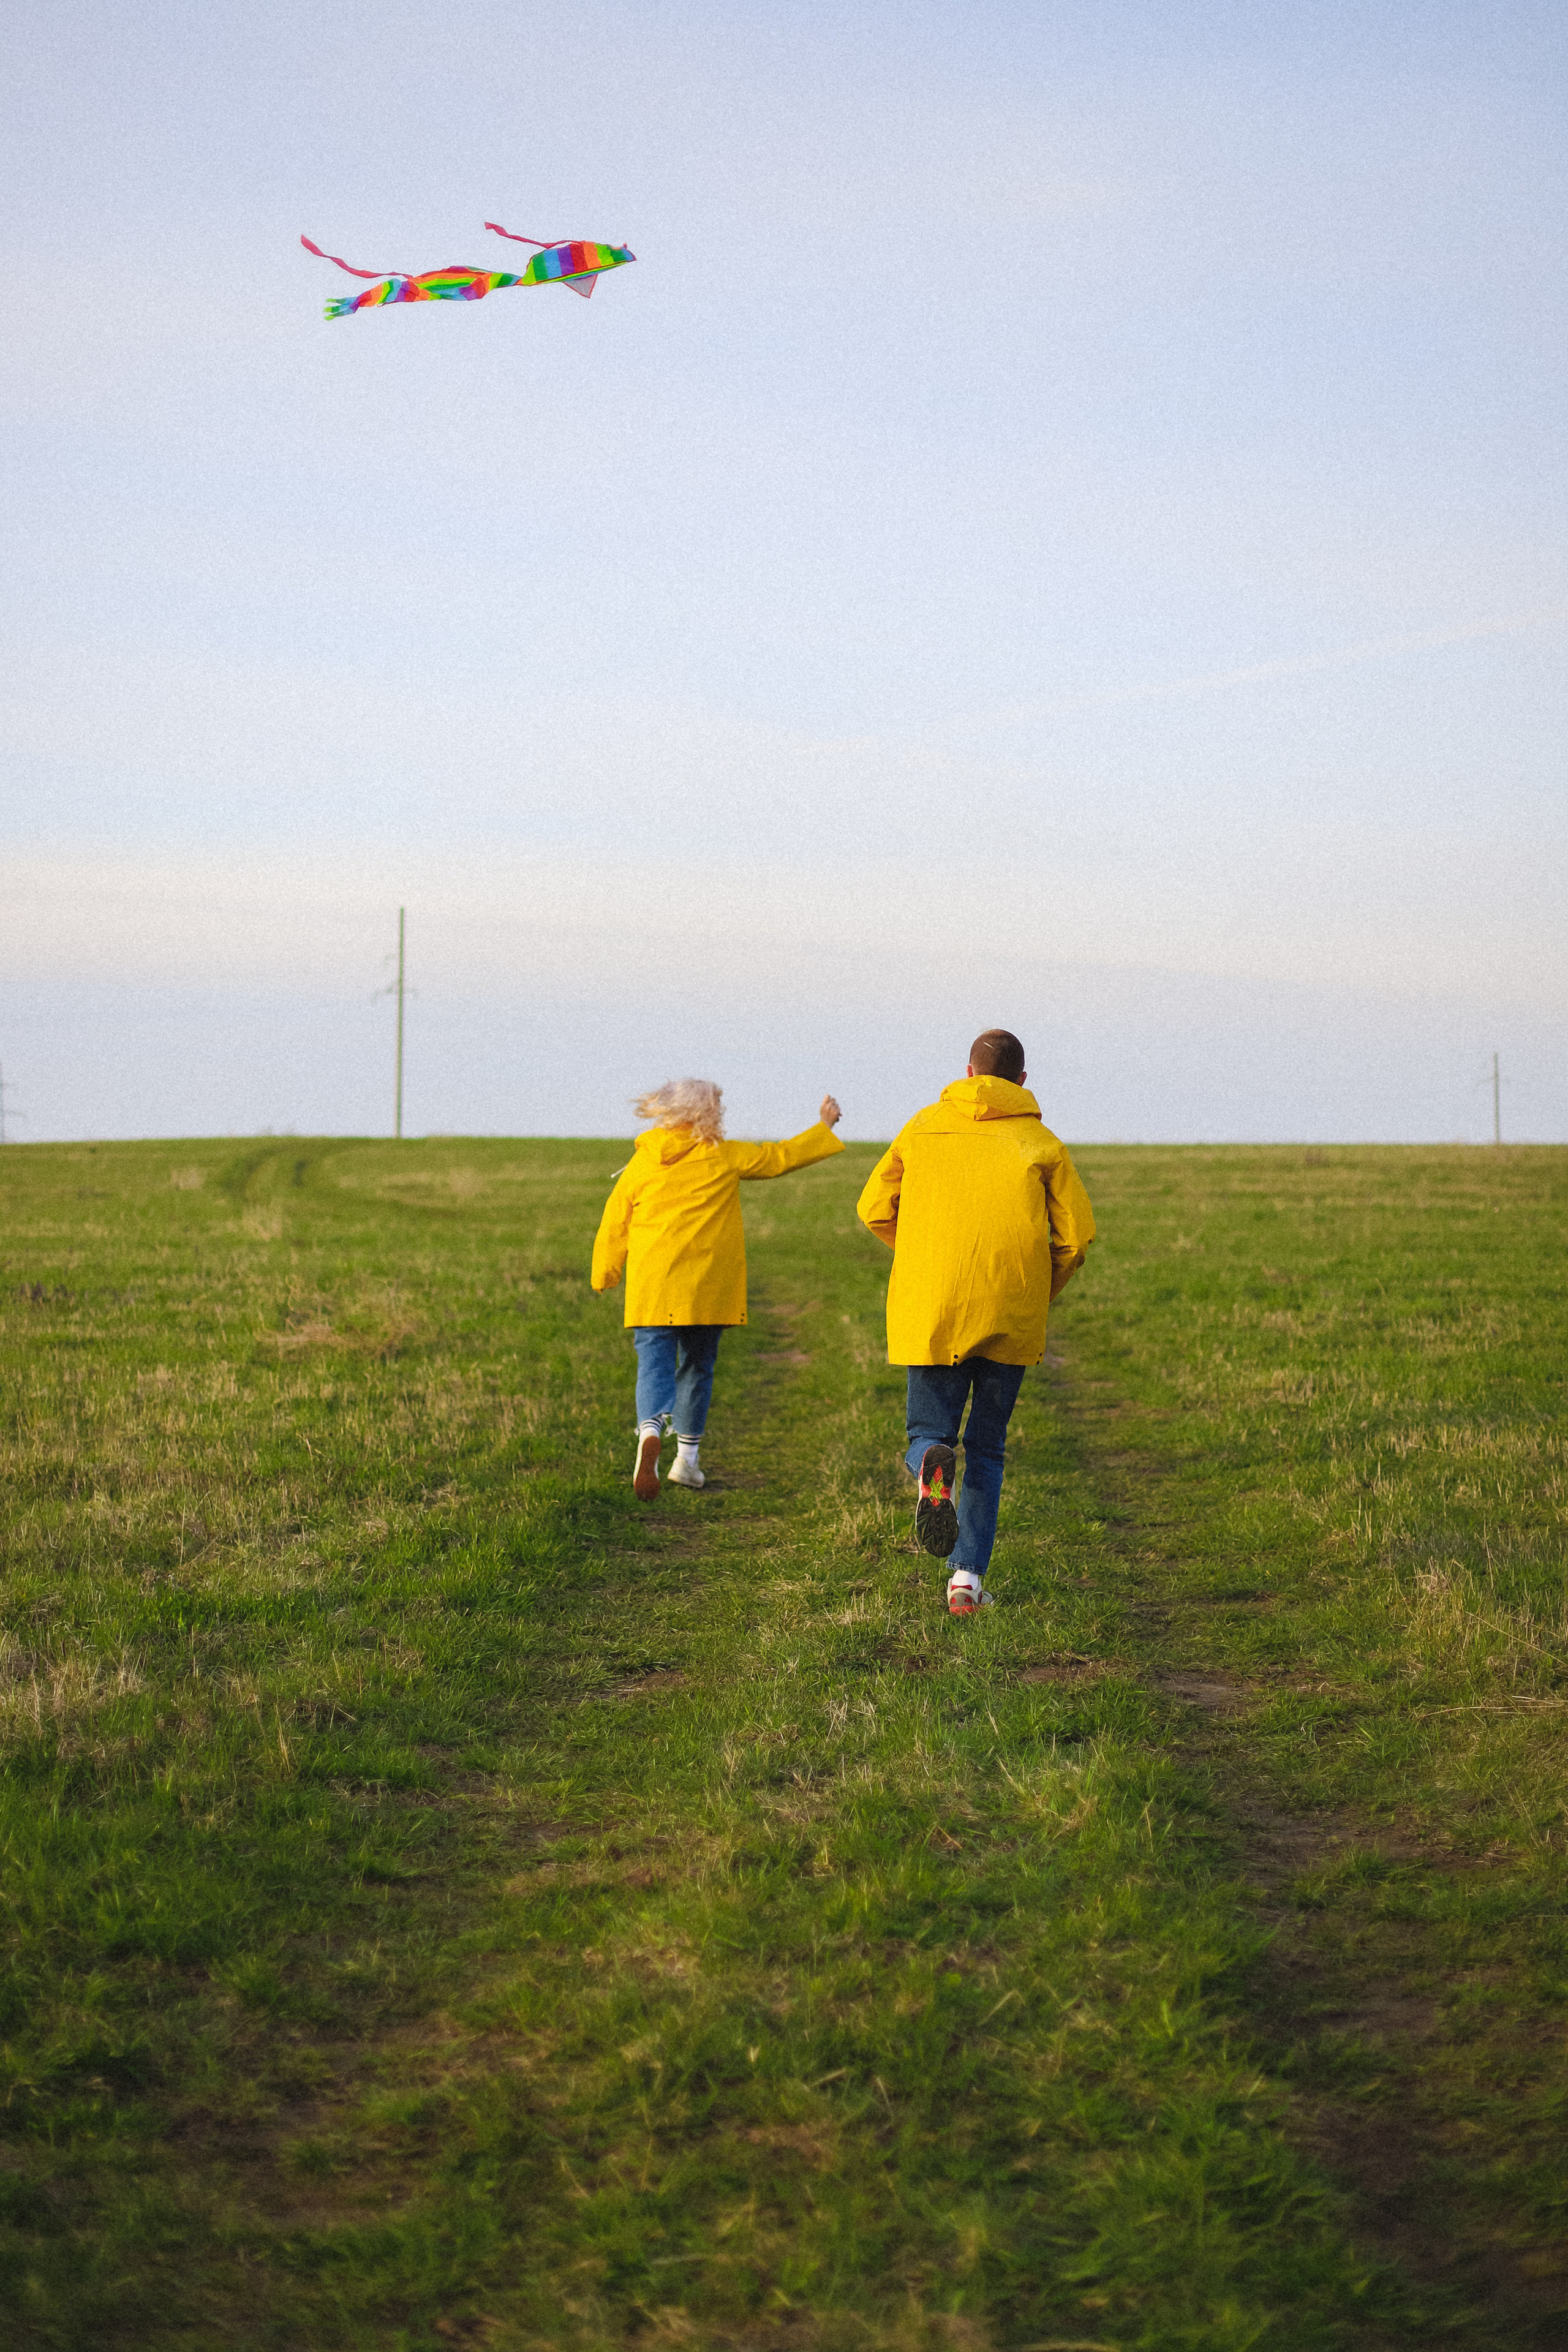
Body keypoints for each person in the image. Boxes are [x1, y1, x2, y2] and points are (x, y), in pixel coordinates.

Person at [856, 1029, 1095, 1614]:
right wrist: (1037, 1291)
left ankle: (929, 1476)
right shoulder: (1041, 1141)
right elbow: (1076, 1238)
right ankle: (966, 1582)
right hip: (1010, 1307)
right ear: (1021, 1083)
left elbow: (872, 1209)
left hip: (933, 1306)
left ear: (967, 1073)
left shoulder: (921, 1127)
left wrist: (922, 1259)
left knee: (928, 1435)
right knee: (987, 1449)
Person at [592, 1079, 843, 1498]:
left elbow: (615, 1220)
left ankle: (651, 1428)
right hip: (706, 1290)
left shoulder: (643, 1162)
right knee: (697, 1368)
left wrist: (605, 1272)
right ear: (708, 1114)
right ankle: (686, 1463)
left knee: (652, 1365)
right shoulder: (724, 1156)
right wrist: (824, 1127)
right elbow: (778, 1158)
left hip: (653, 1287)